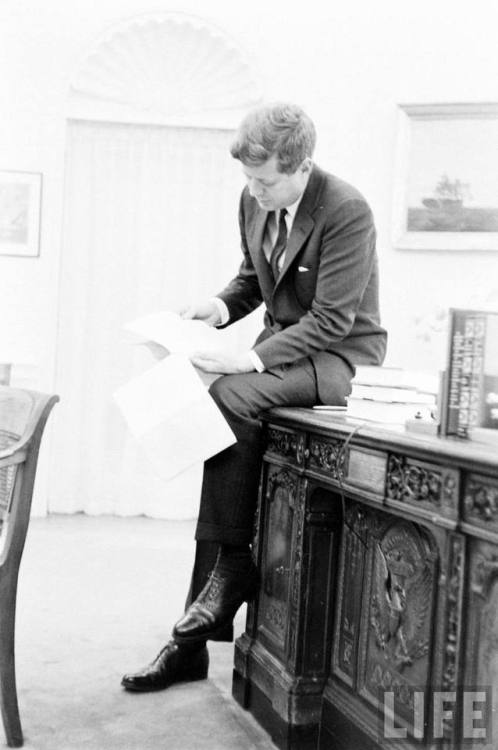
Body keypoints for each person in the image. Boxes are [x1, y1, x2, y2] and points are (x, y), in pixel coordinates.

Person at [121, 102, 387, 692]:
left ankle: (229, 573)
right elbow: (252, 278)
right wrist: (216, 309)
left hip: (338, 358)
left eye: (265, 180)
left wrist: (246, 356)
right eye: (248, 178)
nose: (254, 190)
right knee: (212, 403)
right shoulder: (254, 200)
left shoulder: (346, 209)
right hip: (281, 349)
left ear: (302, 166)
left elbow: (332, 320)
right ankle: (199, 628)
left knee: (231, 395)